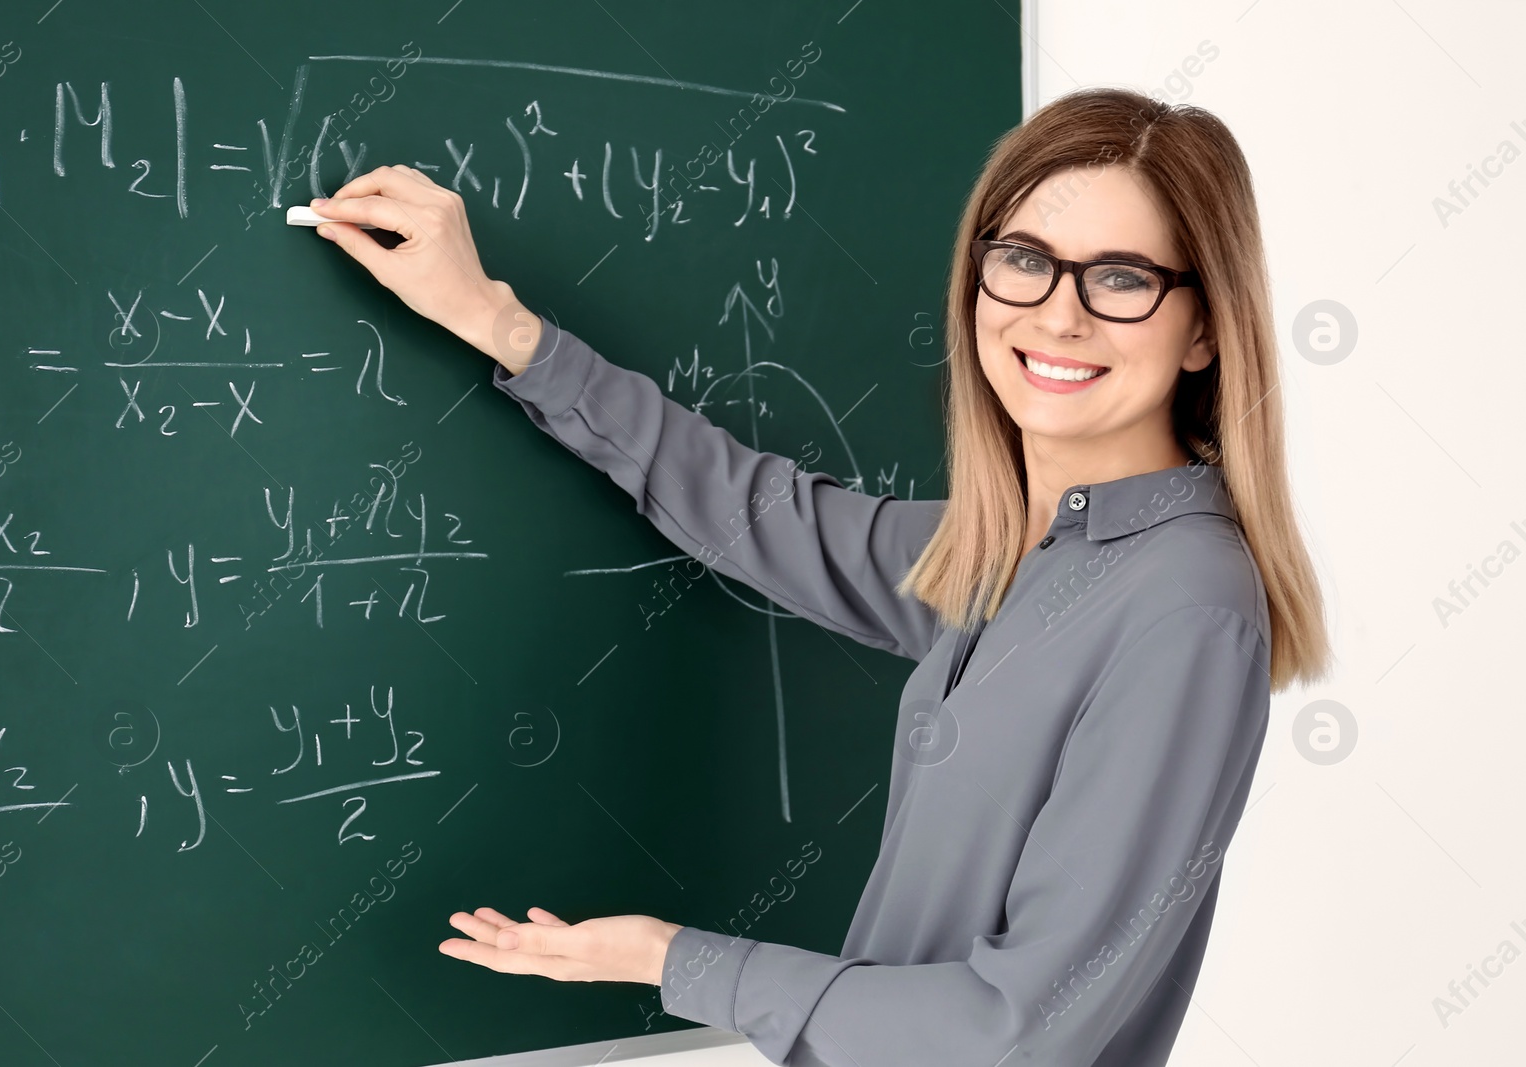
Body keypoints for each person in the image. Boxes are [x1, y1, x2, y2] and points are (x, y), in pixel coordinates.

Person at [309, 85, 1330, 1067]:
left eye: (1120, 277)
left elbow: (1017, 1032)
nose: (1057, 316)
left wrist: (670, 958)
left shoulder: (1185, 606)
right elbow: (761, 516)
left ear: (1204, 325)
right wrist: (500, 324)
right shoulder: (1005, 554)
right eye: (1023, 259)